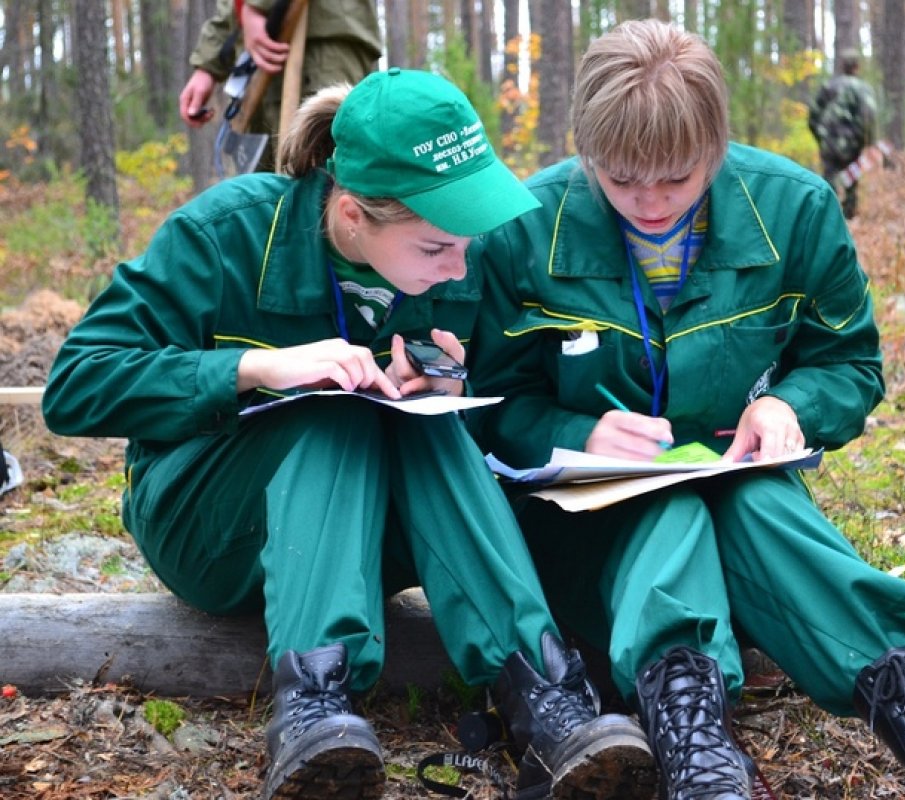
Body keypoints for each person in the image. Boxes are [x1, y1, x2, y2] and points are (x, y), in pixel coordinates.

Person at [44, 69, 659, 800]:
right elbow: (76, 385)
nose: (462, 267)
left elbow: (501, 411)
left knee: (421, 423)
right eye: (436, 249)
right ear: (351, 214)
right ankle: (312, 707)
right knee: (335, 404)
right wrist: (256, 368)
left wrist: (453, 387)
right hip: (211, 526)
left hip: (378, 534)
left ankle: (544, 699)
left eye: (466, 243)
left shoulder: (458, 258)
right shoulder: (228, 233)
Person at [467, 20, 905, 800]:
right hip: (582, 524)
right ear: (585, 150)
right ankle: (701, 759)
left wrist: (791, 406)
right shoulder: (520, 229)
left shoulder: (794, 211)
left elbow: (848, 362)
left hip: (742, 491)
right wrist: (577, 430)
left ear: (717, 146)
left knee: (752, 504)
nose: (651, 202)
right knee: (672, 516)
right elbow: (487, 402)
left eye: (679, 178)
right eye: (622, 180)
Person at [179, 0, 381, 171]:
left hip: (318, 42)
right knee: (261, 199)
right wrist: (208, 64)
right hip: (258, 54)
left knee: (320, 190)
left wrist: (255, 6)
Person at [808, 49, 877, 219]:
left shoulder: (828, 86)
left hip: (829, 142)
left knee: (829, 176)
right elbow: (868, 117)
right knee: (851, 179)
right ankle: (848, 216)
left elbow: (813, 116)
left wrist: (821, 137)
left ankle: (827, 216)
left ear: (842, 66)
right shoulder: (863, 88)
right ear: (857, 66)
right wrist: (866, 141)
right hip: (852, 143)